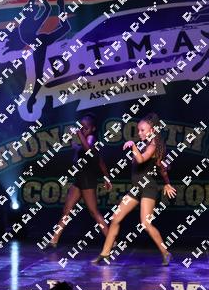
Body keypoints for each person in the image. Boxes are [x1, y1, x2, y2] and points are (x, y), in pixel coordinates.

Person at [92, 112, 176, 265]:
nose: (139, 133)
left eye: (142, 130)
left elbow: (142, 159)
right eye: (138, 130)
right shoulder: (145, 144)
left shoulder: (153, 146)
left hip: (148, 188)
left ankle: (166, 252)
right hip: (136, 188)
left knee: (145, 223)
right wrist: (167, 182)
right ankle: (105, 253)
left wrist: (133, 145)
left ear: (152, 130)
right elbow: (162, 167)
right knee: (115, 218)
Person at [47, 113, 111, 247]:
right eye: (81, 127)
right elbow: (78, 148)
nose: (83, 130)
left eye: (86, 128)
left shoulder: (92, 138)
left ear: (93, 129)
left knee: (94, 212)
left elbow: (89, 151)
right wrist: (71, 138)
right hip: (79, 180)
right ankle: (54, 240)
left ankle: (112, 241)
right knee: (66, 210)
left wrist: (107, 177)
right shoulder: (84, 139)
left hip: (87, 180)